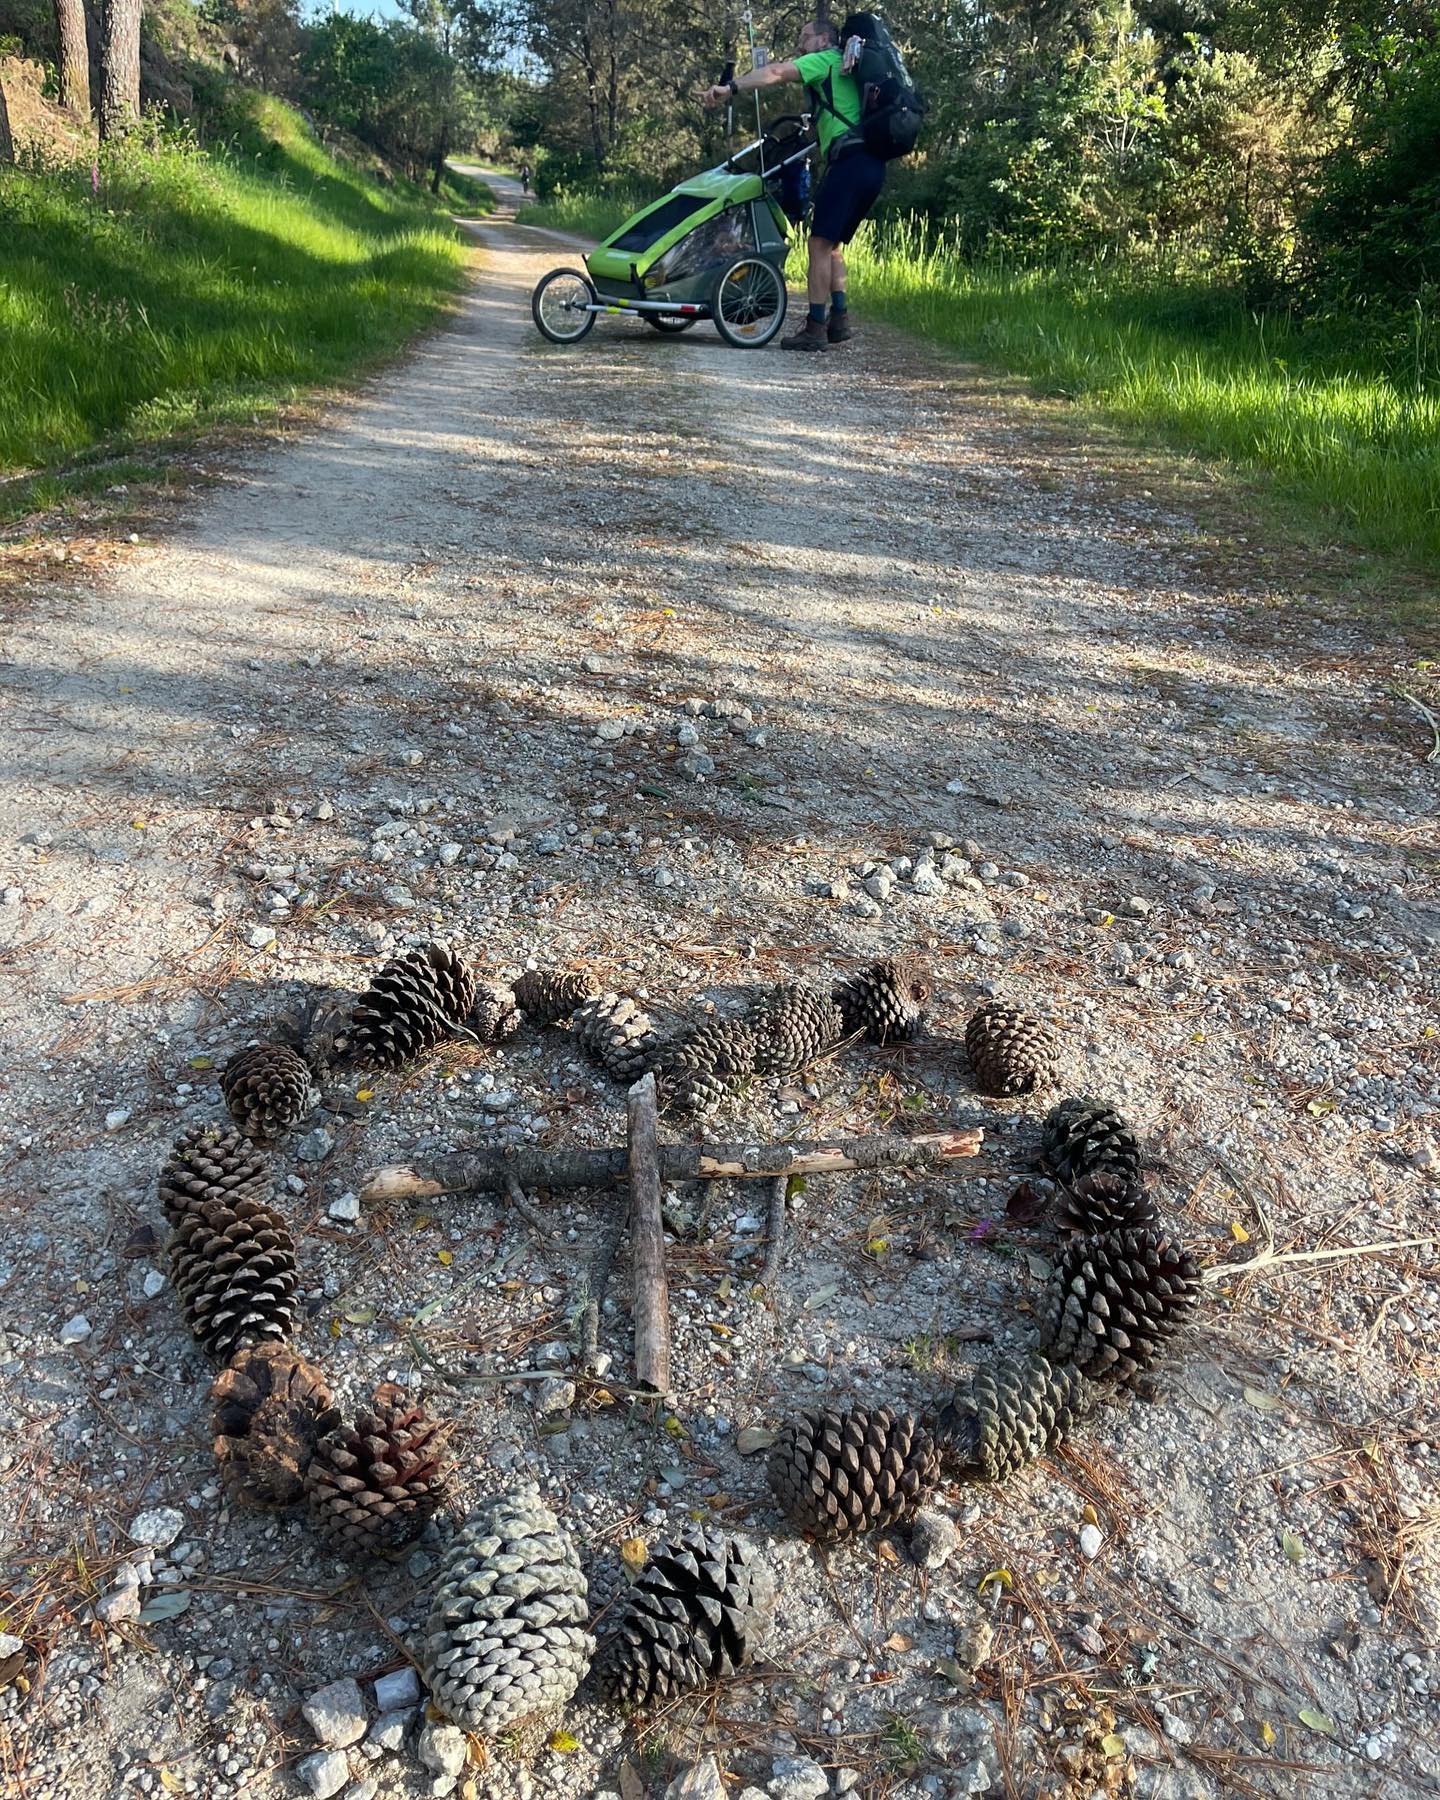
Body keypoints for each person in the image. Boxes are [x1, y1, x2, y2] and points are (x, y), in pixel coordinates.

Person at [701, 19, 883, 352]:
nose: (801, 46)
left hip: (849, 163)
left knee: (817, 245)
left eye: (805, 39)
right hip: (872, 165)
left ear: (824, 39)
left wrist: (731, 88)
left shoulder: (825, 59)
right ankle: (839, 320)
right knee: (833, 245)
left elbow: (777, 72)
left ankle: (815, 328)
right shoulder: (847, 63)